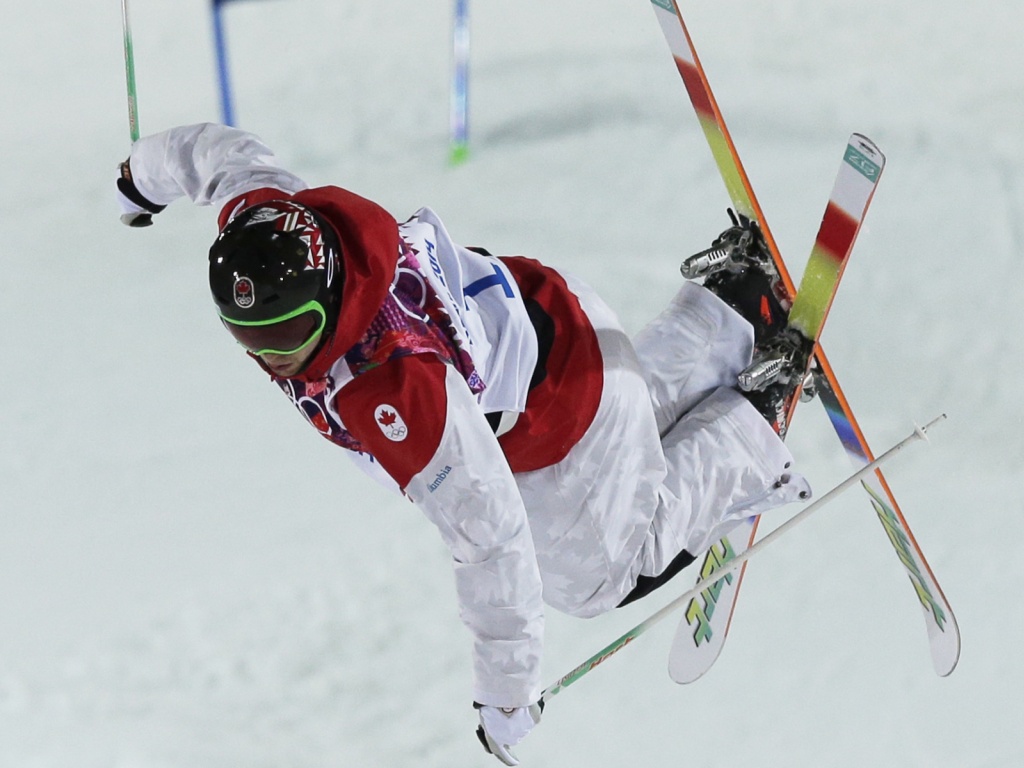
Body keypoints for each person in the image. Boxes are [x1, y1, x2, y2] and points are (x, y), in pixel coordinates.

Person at [116, 122, 810, 765]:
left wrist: (505, 694)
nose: (276, 358)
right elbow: (218, 155)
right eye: (253, 339)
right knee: (625, 446)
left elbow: (490, 533)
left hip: (562, 410)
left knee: (599, 575)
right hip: (558, 319)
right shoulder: (276, 222)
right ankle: (733, 304)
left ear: (325, 291)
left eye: (290, 333)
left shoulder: (390, 384)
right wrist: (144, 176)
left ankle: (754, 419)